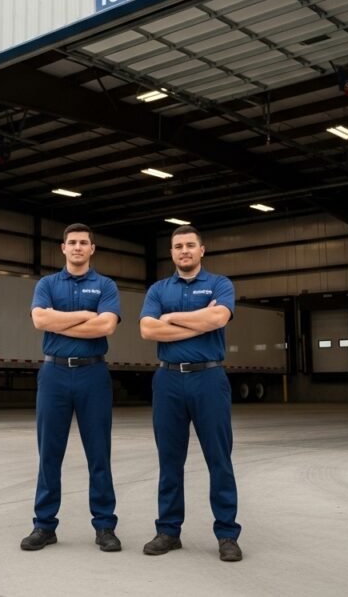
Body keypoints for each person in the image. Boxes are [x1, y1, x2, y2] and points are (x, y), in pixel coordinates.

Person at [139, 225, 243, 562]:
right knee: (170, 460)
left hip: (208, 379)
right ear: (171, 252)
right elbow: (146, 328)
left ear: (202, 250)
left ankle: (227, 534)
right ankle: (168, 531)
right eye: (178, 246)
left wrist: (170, 319)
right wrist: (198, 320)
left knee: (219, 459)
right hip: (168, 381)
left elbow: (218, 318)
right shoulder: (157, 289)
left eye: (190, 245)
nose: (184, 251)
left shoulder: (219, 284)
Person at [20, 223, 122, 552]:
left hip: (93, 375)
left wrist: (60, 318)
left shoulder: (105, 285)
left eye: (83, 243)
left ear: (92, 249)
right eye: (72, 242)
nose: (77, 247)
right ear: (63, 248)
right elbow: (39, 321)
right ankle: (44, 526)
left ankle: (105, 526)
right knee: (49, 453)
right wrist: (84, 316)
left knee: (99, 453)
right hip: (54, 375)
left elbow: (106, 325)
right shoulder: (47, 284)